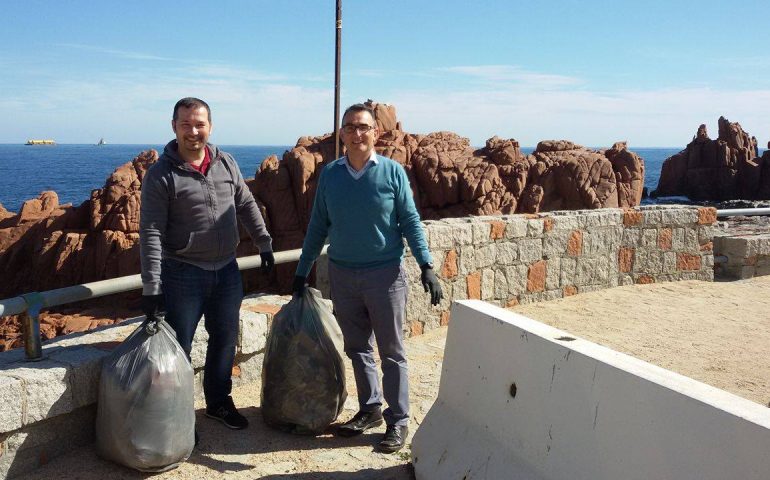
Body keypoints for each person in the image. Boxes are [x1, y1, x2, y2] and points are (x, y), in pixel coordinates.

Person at [292, 103, 443, 453]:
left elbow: (410, 222)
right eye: (350, 127)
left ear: (376, 132)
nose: (357, 134)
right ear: (342, 134)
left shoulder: (392, 173)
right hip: (342, 275)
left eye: (363, 127)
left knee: (392, 352)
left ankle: (399, 420)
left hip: (385, 275)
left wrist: (426, 265)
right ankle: (370, 408)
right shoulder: (330, 174)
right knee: (357, 348)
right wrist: (303, 271)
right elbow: (318, 226)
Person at [139, 97, 274, 432]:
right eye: (185, 124)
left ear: (209, 126)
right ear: (174, 127)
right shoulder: (161, 175)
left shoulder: (225, 162)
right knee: (179, 346)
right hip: (183, 273)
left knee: (225, 339)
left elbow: (245, 203)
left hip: (227, 270)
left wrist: (264, 243)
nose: (193, 131)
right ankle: (179, 415)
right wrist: (152, 286)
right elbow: (151, 232)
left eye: (199, 124)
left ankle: (218, 403)